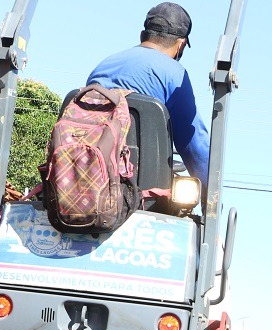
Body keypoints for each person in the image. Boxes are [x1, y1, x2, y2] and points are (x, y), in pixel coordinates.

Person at [85, 3, 210, 190]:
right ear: (181, 44)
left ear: (143, 35)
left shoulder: (104, 66)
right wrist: (210, 196)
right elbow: (194, 144)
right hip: (143, 190)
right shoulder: (175, 75)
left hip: (88, 179)